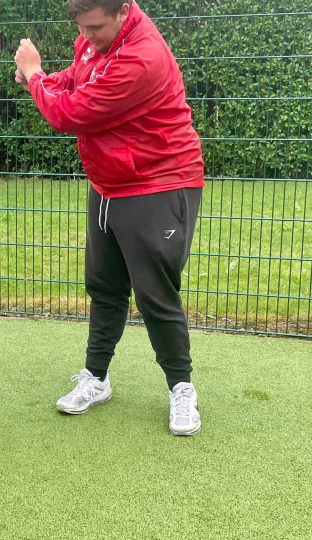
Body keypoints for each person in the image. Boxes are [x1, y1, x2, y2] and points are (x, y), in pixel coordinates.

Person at [14, 0, 205, 435]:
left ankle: (182, 389)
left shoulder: (142, 56)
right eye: (83, 28)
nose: (88, 37)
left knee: (155, 294)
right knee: (105, 286)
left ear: (123, 10)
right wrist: (41, 78)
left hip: (158, 182)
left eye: (96, 27)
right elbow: (76, 78)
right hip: (108, 182)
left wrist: (36, 76)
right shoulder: (97, 38)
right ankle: (96, 378)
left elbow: (70, 113)